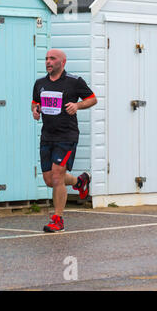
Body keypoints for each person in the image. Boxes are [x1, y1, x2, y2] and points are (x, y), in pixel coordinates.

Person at [32, 49, 97, 232]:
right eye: (46, 59)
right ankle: (79, 181)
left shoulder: (74, 81)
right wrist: (36, 110)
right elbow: (35, 103)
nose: (48, 62)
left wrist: (77, 105)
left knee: (57, 175)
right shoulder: (40, 83)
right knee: (49, 180)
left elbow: (92, 99)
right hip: (47, 136)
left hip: (67, 136)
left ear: (63, 62)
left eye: (52, 59)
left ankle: (58, 219)